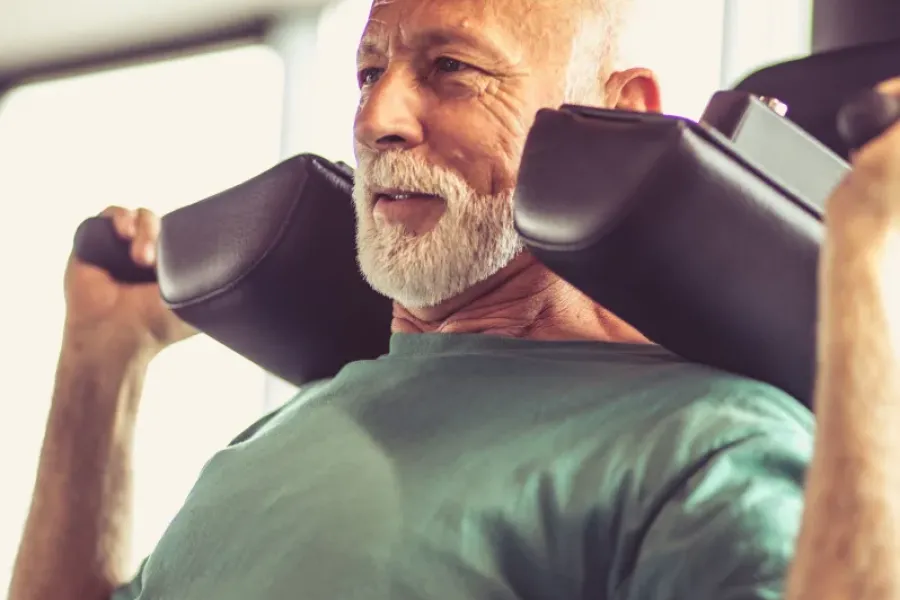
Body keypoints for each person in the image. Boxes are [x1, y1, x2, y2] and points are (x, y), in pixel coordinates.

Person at [7, 0, 900, 595]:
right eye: (368, 74)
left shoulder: (709, 444)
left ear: (620, 109)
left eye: (454, 68)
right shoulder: (277, 436)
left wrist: (865, 274)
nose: (376, 120)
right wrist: (99, 361)